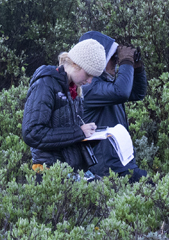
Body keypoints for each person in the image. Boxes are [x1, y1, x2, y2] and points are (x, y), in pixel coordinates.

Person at [21, 37, 107, 175]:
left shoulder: (74, 90)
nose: (90, 81)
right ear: (75, 64)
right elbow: (32, 133)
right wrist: (78, 132)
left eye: (93, 77)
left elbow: (65, 136)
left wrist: (89, 137)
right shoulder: (45, 84)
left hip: (74, 171)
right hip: (50, 174)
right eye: (88, 74)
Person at [78, 30, 149, 181]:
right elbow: (121, 92)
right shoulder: (88, 88)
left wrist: (136, 67)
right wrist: (126, 62)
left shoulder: (105, 83)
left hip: (121, 162)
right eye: (113, 58)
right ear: (98, 60)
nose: (116, 62)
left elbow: (137, 93)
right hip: (106, 169)